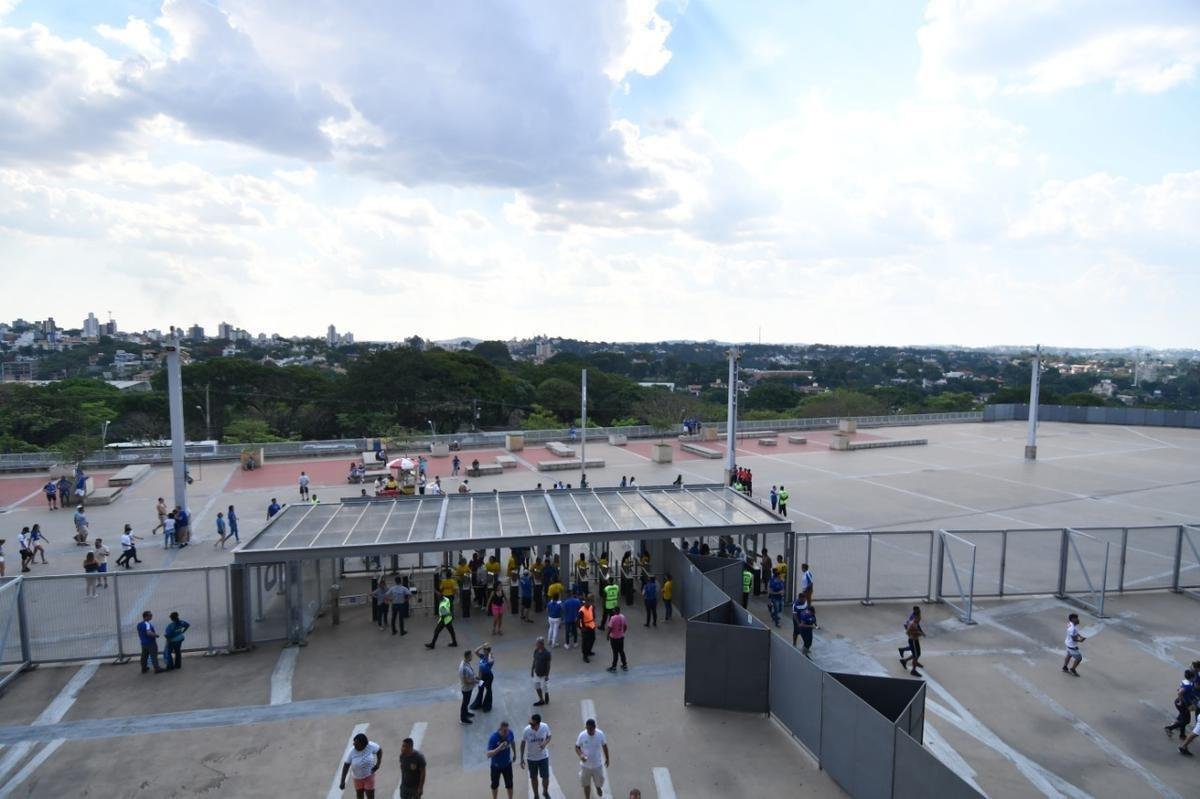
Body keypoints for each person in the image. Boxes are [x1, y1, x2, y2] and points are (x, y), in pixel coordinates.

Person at [339, 732, 382, 798]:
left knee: (370, 795)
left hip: (369, 776)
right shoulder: (351, 751)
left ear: (364, 745)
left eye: (356, 744)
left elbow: (379, 750)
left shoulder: (371, 746)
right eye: (354, 743)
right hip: (357, 778)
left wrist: (378, 764)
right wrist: (342, 781)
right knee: (359, 795)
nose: (354, 745)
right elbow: (346, 766)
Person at [519, 713, 552, 799]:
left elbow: (549, 736)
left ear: (538, 724)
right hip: (531, 758)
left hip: (543, 757)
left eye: (533, 725)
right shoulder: (527, 730)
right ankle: (536, 795)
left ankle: (545, 792)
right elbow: (523, 744)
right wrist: (521, 758)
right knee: (533, 778)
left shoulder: (545, 727)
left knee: (545, 777)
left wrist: (545, 743)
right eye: (530, 724)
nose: (531, 726)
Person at [575, 718, 609, 799]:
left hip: (597, 765)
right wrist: (581, 755)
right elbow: (577, 747)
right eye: (587, 728)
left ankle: (598, 787)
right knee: (586, 785)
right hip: (585, 766)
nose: (589, 731)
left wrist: (607, 758)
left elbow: (604, 746)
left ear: (594, 727)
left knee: (599, 782)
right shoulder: (582, 735)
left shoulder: (600, 734)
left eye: (590, 729)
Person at [487, 721, 517, 799]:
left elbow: (512, 742)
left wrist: (515, 753)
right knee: (494, 785)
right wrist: (499, 748)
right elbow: (488, 754)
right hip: (496, 767)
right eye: (504, 731)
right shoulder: (493, 738)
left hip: (507, 765)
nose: (506, 733)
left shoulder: (510, 733)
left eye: (507, 731)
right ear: (500, 729)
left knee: (510, 784)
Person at [1166, 669, 1196, 739]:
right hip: (1183, 704)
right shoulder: (1188, 686)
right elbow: (1180, 692)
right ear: (1191, 678)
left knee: (1183, 718)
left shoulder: (1185, 681)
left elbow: (1180, 689)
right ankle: (1170, 728)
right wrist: (1180, 701)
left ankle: (1182, 735)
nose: (1195, 678)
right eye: (1194, 677)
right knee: (1186, 721)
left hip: (1184, 703)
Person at [899, 606, 925, 677]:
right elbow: (908, 632)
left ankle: (904, 661)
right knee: (916, 655)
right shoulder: (912, 624)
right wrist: (918, 633)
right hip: (913, 640)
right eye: (918, 617)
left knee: (917, 654)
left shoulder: (916, 623)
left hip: (915, 640)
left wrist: (920, 632)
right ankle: (913, 670)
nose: (920, 618)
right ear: (915, 617)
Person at [472, 643, 495, 712]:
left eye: (485, 650)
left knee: (488, 690)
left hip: (488, 677)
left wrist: (490, 654)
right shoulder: (483, 657)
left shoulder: (491, 659)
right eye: (483, 650)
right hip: (482, 677)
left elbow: (490, 662)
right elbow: (475, 651)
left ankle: (487, 706)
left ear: (488, 651)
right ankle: (478, 704)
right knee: (480, 689)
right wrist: (482, 646)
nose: (483, 651)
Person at [1062, 612, 1086, 677]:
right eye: (1076, 618)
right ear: (1073, 619)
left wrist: (1080, 636)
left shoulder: (1070, 624)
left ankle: (1065, 667)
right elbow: (1074, 639)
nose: (1078, 620)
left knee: (1069, 655)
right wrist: (1081, 640)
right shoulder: (1072, 629)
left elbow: (1075, 633)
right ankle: (1073, 669)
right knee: (1079, 658)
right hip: (1072, 646)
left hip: (1068, 644)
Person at [605, 605, 628, 672]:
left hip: (614, 638)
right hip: (621, 637)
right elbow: (625, 626)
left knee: (615, 653)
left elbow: (610, 628)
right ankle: (624, 665)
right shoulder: (622, 616)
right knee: (621, 651)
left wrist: (607, 635)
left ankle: (614, 667)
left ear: (615, 611)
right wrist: (622, 632)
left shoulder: (613, 618)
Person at [458, 649, 478, 724]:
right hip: (466, 688)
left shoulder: (466, 663)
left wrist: (474, 677)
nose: (472, 657)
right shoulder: (464, 668)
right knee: (465, 703)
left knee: (466, 702)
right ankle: (463, 719)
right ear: (468, 656)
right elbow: (466, 681)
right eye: (471, 656)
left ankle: (466, 713)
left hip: (468, 688)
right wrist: (476, 681)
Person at [531, 637, 552, 705]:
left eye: (537, 643)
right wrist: (532, 670)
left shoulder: (547, 653)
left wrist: (547, 675)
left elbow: (548, 665)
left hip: (543, 674)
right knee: (537, 686)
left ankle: (546, 693)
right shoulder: (536, 651)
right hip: (537, 673)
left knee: (544, 687)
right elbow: (534, 660)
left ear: (541, 644)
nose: (536, 645)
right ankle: (541, 700)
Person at [579, 596, 598, 663]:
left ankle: (589, 651)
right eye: (587, 602)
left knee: (593, 639)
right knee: (585, 642)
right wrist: (582, 628)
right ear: (585, 603)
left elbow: (592, 616)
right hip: (585, 628)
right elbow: (579, 620)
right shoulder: (582, 610)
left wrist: (594, 623)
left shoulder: (591, 607)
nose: (589, 603)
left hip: (591, 626)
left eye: (589, 602)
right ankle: (585, 656)